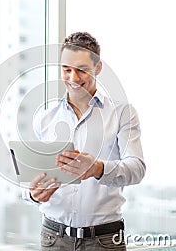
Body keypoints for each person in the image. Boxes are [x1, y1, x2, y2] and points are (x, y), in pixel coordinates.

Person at [22, 32, 146, 250]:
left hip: (104, 239)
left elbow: (136, 169)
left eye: (82, 70)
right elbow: (29, 177)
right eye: (66, 69)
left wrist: (97, 168)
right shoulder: (44, 118)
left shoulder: (122, 114)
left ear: (97, 68)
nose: (73, 78)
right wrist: (32, 194)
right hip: (53, 237)